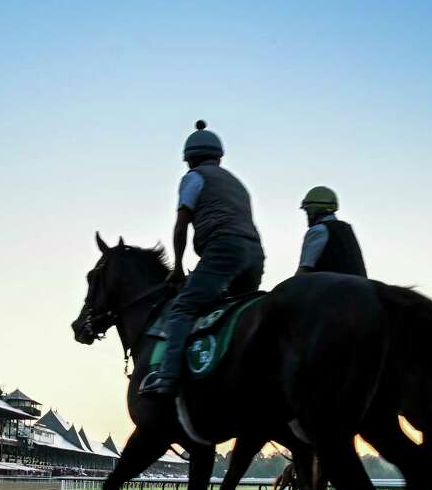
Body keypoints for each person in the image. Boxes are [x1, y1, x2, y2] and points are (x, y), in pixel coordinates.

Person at [139, 121, 265, 396]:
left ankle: (168, 378)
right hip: (254, 254)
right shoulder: (237, 184)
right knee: (231, 313)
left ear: (190, 159)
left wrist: (178, 268)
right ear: (219, 157)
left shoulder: (194, 178)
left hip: (223, 249)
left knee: (183, 308)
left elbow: (182, 224)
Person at [295, 186, 367, 278]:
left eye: (307, 211)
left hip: (331, 289)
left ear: (313, 210)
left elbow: (304, 271)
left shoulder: (318, 230)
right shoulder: (346, 229)